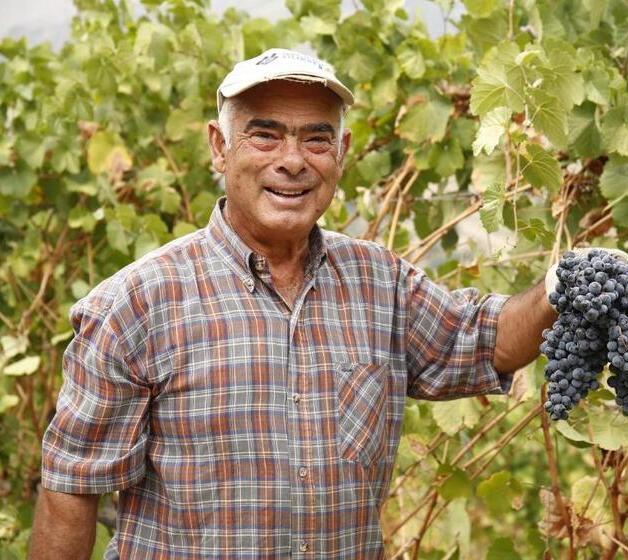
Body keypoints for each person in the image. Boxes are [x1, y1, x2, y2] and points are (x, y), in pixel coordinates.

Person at [28, 48, 573, 559]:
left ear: (342, 152)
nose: (292, 161)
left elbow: (483, 341)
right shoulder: (135, 305)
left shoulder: (380, 282)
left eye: (316, 140)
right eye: (264, 136)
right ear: (219, 147)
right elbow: (72, 490)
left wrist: (560, 286)